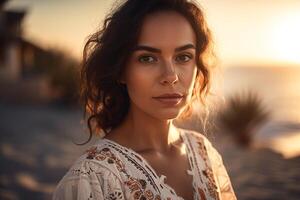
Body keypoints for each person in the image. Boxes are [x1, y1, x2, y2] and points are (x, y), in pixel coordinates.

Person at [53, 0, 237, 199]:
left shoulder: (203, 152)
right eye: (147, 58)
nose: (170, 76)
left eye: (183, 57)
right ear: (121, 70)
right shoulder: (92, 179)